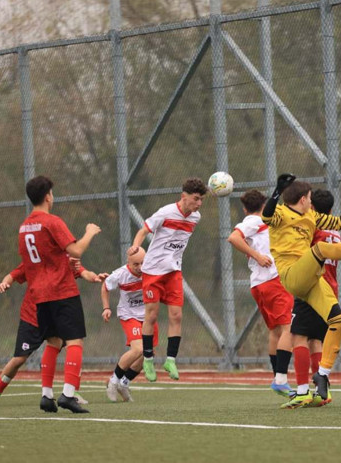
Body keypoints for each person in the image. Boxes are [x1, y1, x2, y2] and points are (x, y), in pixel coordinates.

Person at [262, 174, 341, 401]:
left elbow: (339, 222)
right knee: (321, 248)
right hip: (292, 274)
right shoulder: (281, 213)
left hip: (312, 278)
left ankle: (322, 375)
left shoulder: (310, 216)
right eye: (309, 198)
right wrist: (277, 190)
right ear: (302, 199)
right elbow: (266, 215)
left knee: (338, 321)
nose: (311, 202)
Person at [18, 175, 101, 413]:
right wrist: (89, 232)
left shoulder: (24, 227)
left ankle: (46, 395)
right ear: (48, 197)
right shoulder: (52, 221)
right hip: (62, 291)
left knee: (53, 342)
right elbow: (75, 250)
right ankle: (68, 394)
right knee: (74, 340)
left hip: (39, 294)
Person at [0, 258, 104, 407]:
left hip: (55, 316)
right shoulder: (35, 260)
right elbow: (13, 275)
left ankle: (71, 393)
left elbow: (84, 272)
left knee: (73, 346)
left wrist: (95, 277)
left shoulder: (64, 260)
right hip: (31, 318)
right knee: (19, 359)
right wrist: (5, 283)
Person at [128, 178, 207, 382]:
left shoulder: (195, 217)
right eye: (196, 199)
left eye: (201, 200)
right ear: (184, 197)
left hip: (173, 271)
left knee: (176, 315)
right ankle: (147, 359)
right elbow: (144, 230)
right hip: (153, 271)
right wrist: (136, 246)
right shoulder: (165, 212)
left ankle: (170, 360)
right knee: (152, 315)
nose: (198, 204)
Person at [227, 189, 295, 398]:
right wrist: (257, 256)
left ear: (245, 207)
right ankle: (281, 379)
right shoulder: (253, 221)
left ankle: (278, 378)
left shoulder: (267, 222)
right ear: (264, 206)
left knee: (275, 331)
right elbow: (233, 238)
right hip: (273, 281)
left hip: (261, 283)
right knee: (288, 329)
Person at [285, 189, 341, 409]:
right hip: (330, 290)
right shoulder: (335, 231)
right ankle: (321, 393)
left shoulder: (312, 228)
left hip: (312, 289)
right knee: (316, 340)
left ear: (313, 208)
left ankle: (301, 392)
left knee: (298, 337)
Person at [102, 248, 151, 402]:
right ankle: (113, 381)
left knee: (146, 355)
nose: (140, 267)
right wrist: (106, 308)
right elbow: (105, 287)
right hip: (129, 315)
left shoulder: (151, 269)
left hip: (148, 316)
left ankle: (124, 383)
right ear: (128, 262)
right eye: (136, 264)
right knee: (138, 349)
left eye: (143, 262)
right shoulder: (121, 274)